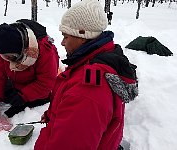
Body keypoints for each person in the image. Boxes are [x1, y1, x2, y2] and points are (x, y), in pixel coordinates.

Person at [34, 0, 138, 150]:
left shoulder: (86, 92)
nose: (62, 42)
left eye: (66, 36)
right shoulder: (94, 59)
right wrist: (53, 114)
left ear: (82, 36)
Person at [0, 19, 59, 135]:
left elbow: (46, 83)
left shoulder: (45, 51)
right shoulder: (4, 48)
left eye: (11, 57)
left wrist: (23, 96)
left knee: (14, 106)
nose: (7, 59)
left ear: (22, 50)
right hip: (16, 83)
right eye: (4, 57)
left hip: (39, 89)